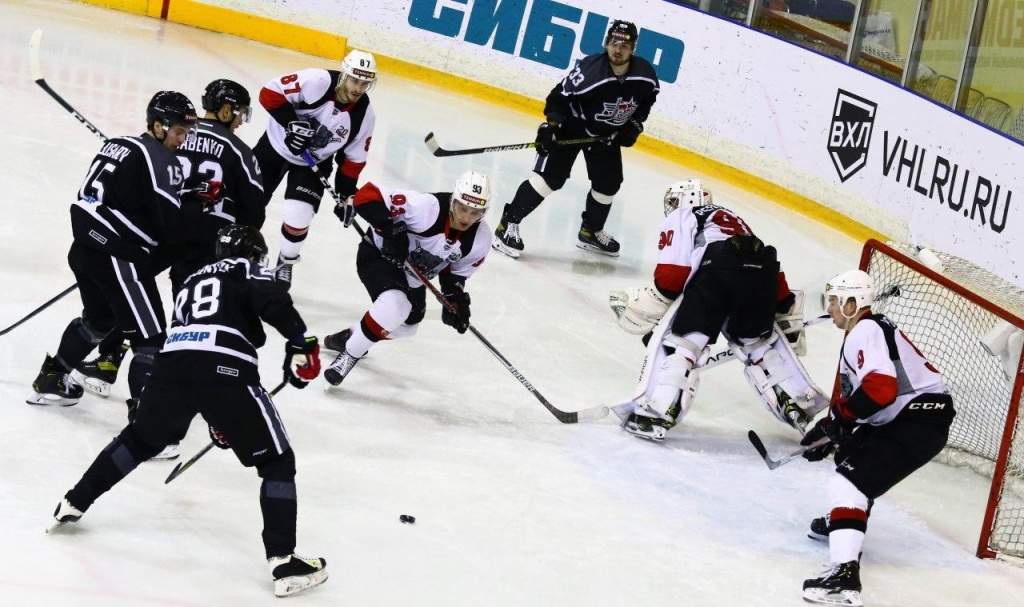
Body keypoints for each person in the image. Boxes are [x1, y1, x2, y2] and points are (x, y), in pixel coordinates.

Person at [48, 224, 327, 598]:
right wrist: (300, 340)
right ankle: (283, 562)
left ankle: (73, 501)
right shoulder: (244, 268)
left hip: (170, 368)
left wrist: (217, 416)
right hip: (226, 369)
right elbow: (269, 297)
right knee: (277, 462)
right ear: (251, 253)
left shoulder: (195, 280)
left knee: (137, 440)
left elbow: (205, 346)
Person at [72, 79, 265, 406]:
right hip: (208, 240)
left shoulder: (176, 133)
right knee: (190, 309)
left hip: (163, 231)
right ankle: (183, 382)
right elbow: (254, 209)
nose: (239, 121)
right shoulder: (236, 149)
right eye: (240, 114)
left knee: (133, 294)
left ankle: (108, 361)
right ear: (227, 110)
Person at [27, 91, 216, 411]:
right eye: (178, 132)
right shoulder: (161, 159)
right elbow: (170, 229)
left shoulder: (118, 144)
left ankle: (52, 378)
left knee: (99, 321)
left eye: (186, 132)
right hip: (118, 257)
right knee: (152, 340)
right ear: (158, 126)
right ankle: (146, 424)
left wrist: (181, 193)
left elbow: (130, 194)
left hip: (84, 249)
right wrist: (197, 205)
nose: (182, 140)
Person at [611, 178, 826, 441]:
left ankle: (655, 415)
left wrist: (648, 308)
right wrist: (782, 307)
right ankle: (797, 405)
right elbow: (766, 267)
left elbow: (671, 278)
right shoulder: (733, 218)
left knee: (685, 346)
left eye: (675, 201)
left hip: (718, 269)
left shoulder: (684, 215)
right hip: (763, 273)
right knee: (756, 345)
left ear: (688, 199)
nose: (673, 207)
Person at [797, 269, 955, 606]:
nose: (831, 307)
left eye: (836, 301)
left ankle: (843, 575)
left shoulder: (864, 331)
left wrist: (839, 420)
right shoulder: (869, 330)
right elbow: (862, 396)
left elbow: (881, 390)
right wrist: (829, 429)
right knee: (849, 455)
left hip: (915, 420)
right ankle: (843, 525)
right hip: (914, 418)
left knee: (847, 484)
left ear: (854, 304)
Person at [492, 19, 659, 259]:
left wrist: (633, 125)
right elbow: (557, 98)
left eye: (625, 45)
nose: (618, 49)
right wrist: (550, 128)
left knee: (608, 183)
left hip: (604, 135)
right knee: (550, 179)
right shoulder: (591, 72)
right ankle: (506, 226)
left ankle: (590, 231)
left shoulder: (645, 75)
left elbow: (646, 100)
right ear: (606, 43)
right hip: (573, 127)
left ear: (633, 48)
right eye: (614, 43)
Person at [321, 171, 492, 385]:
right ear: (453, 201)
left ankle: (353, 335)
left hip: (413, 276)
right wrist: (389, 228)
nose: (467, 217)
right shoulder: (426, 207)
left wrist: (454, 296)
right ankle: (349, 354)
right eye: (462, 208)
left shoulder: (480, 239)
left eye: (475, 212)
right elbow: (368, 194)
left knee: (407, 326)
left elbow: (454, 272)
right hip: (379, 255)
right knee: (396, 306)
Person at [254, 48, 377, 289]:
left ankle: (285, 262)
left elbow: (353, 160)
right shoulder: (317, 81)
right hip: (274, 147)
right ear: (344, 74)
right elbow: (269, 93)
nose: (357, 89)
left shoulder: (364, 115)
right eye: (354, 80)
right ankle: (240, 257)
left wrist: (346, 196)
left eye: (364, 83)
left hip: (314, 163)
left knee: (299, 214)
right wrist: (291, 123)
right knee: (249, 203)